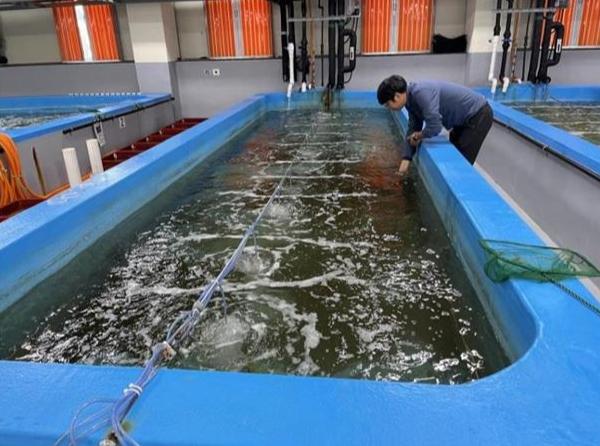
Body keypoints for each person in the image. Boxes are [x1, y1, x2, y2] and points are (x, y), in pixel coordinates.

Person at [376, 75, 493, 175]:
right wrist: (405, 163)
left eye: (387, 104)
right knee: (454, 157)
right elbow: (413, 128)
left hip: (478, 114)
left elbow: (435, 126)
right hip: (462, 120)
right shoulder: (410, 100)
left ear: (397, 96)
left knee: (461, 164)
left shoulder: (421, 93)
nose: (388, 108)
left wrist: (420, 135)